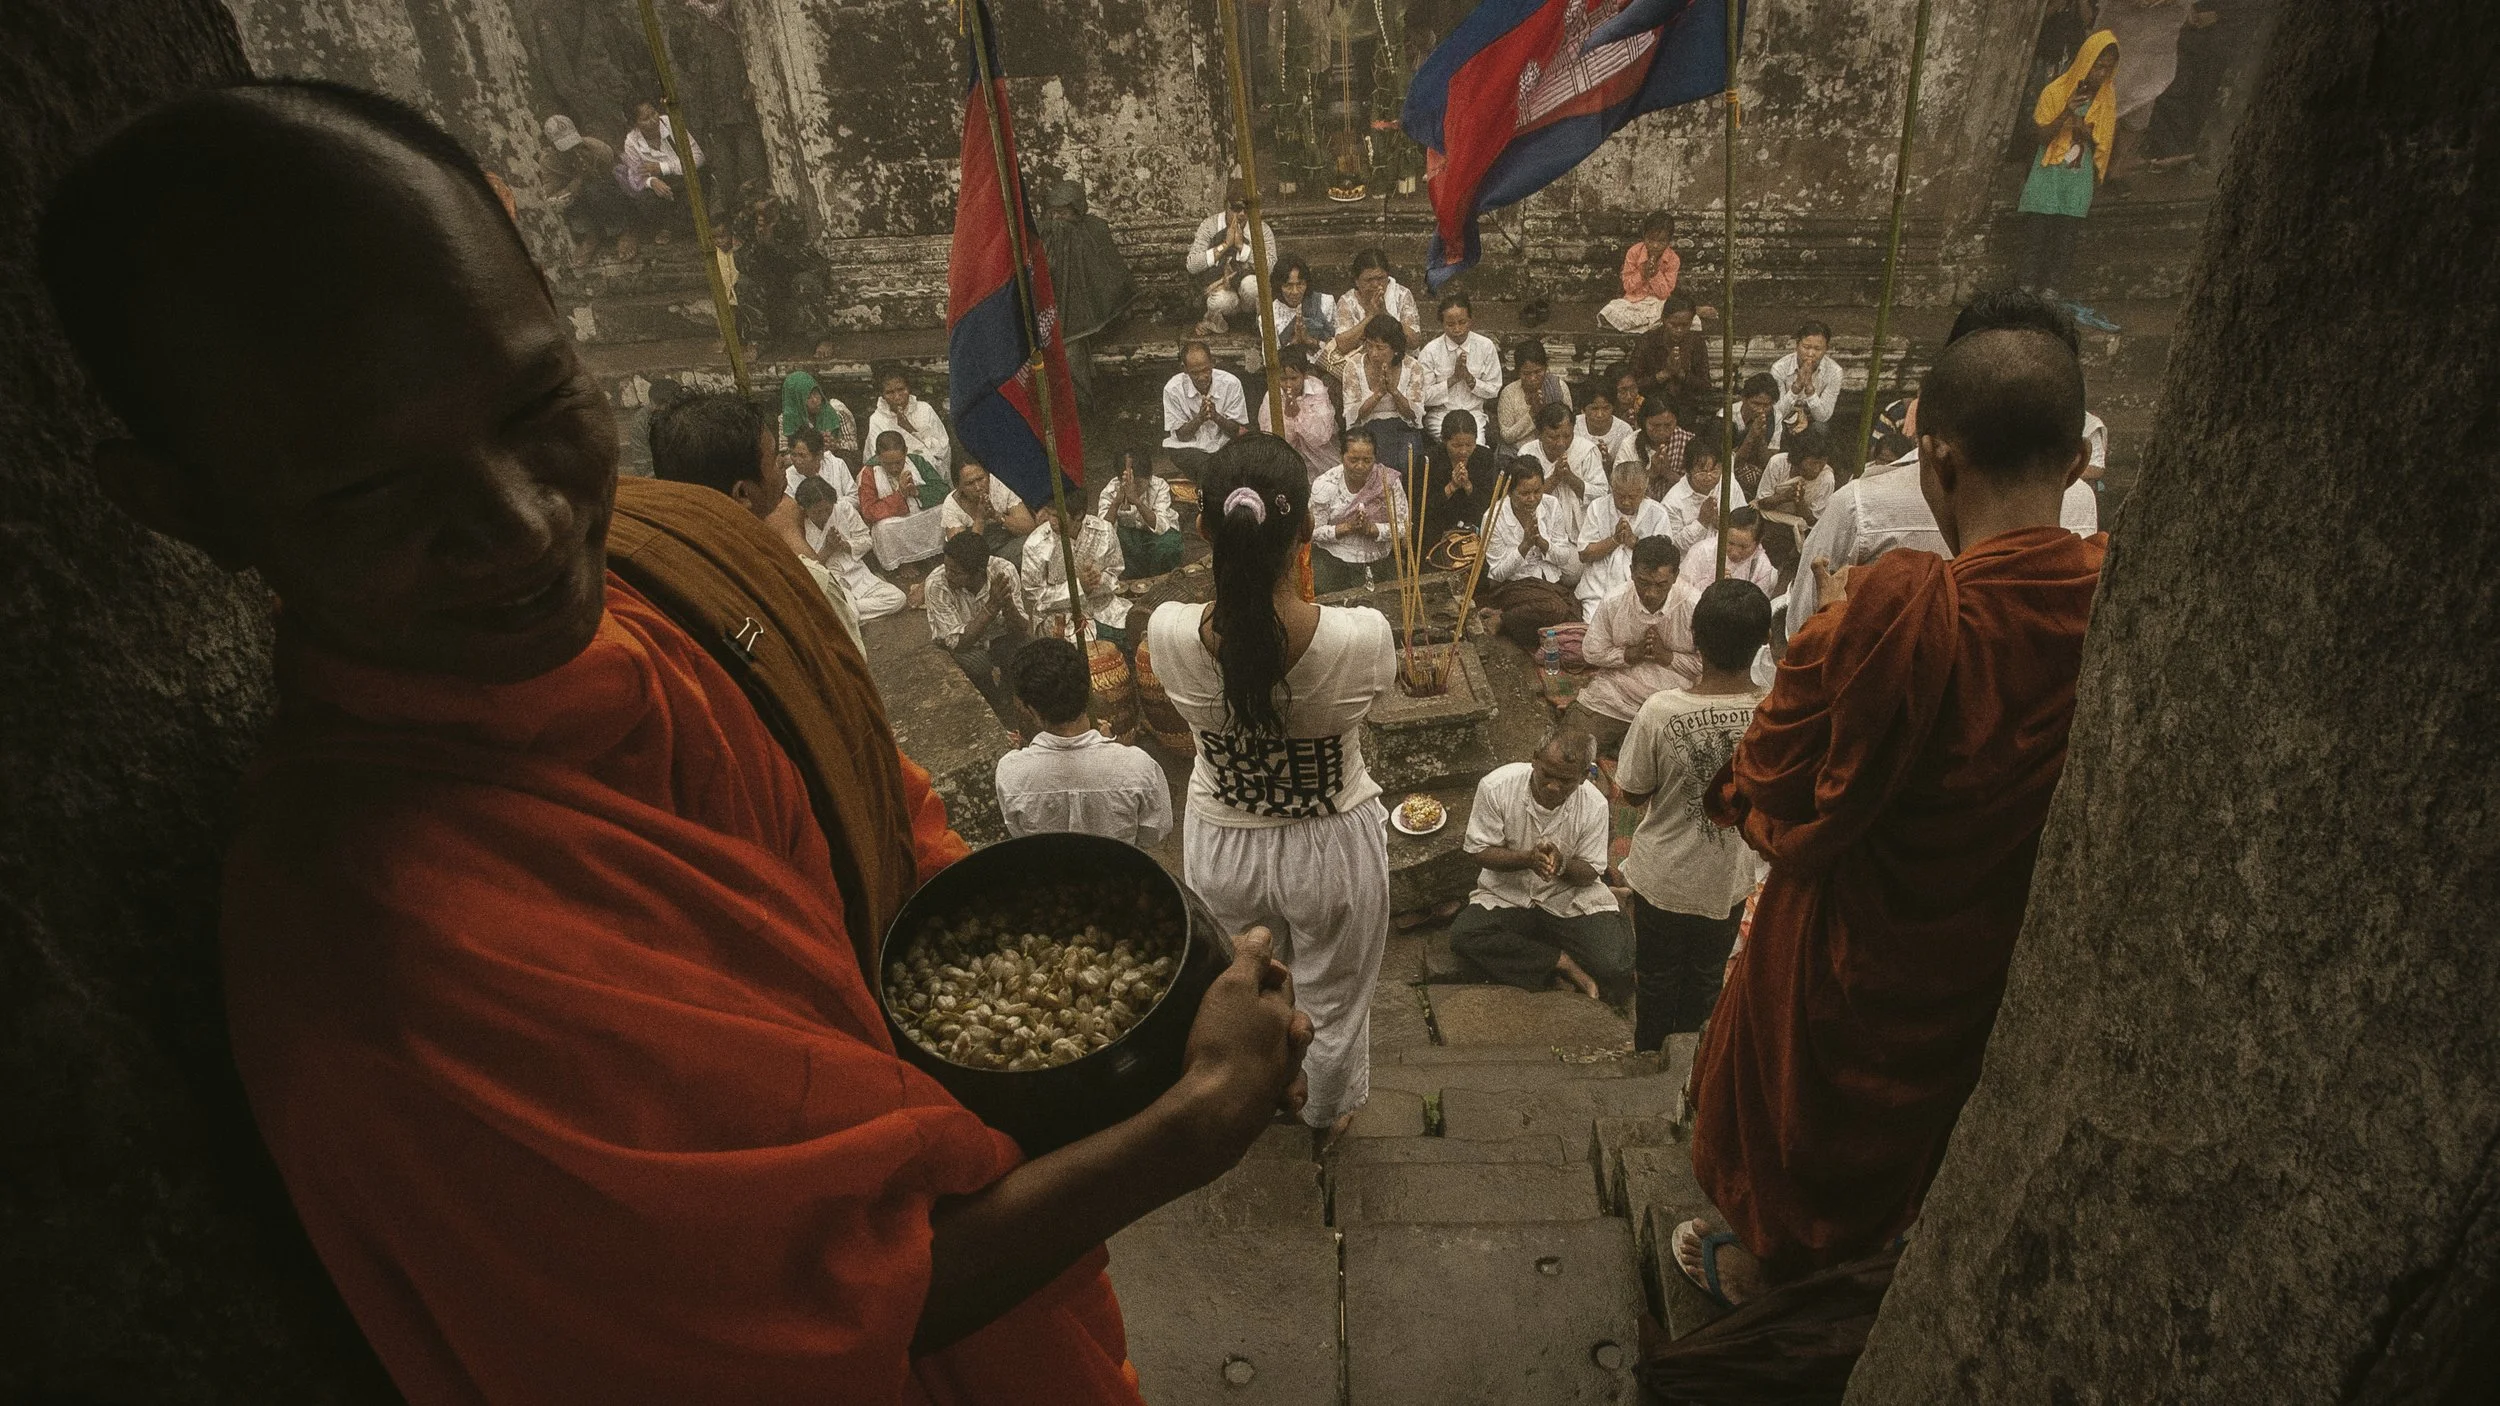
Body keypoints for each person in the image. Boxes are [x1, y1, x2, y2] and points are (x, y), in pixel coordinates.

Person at [42, 78, 1312, 1403]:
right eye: (373, 486)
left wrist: (1132, 1031)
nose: (525, 522)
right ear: (185, 509)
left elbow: (902, 862)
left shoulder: (692, 563)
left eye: (539, 408)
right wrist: (1182, 1129)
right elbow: (811, 1310)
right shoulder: (387, 975)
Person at [1673, 321, 2109, 1307]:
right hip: (1999, 950)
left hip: (1856, 949)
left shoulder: (1894, 616)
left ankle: (1770, 1268)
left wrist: (1839, 629)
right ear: (2077, 459)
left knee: (1808, 1098)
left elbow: (1757, 784)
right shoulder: (2120, 601)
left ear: (1936, 461)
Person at [1147, 436, 1396, 1141]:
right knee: (1335, 997)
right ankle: (1321, 1108)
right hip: (1331, 846)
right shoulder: (1361, 636)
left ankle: (1249, 1104)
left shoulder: (1167, 632)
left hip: (1224, 843)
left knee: (1240, 991)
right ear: (1308, 531)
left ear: (1203, 530)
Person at [1784, 291, 2103, 632]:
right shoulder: (2097, 551)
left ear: (1936, 458)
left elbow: (1800, 640)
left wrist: (1830, 624)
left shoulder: (1862, 509)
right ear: (2077, 462)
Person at [1613, 580, 1771, 1052]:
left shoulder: (1662, 711)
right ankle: (1689, 1068)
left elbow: (1634, 793)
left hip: (1664, 878)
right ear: (1763, 642)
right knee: (1705, 983)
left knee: (1657, 981)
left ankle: (1648, 1063)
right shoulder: (1774, 709)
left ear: (1695, 638)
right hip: (1729, 878)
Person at [650, 388, 864, 650]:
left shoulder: (662, 571)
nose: (784, 467)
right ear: (742, 493)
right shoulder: (800, 582)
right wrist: (792, 537)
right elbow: (849, 664)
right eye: (775, 460)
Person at [1450, 730, 1634, 999]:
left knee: (1616, 966)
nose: (1553, 786)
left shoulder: (1594, 805)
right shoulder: (1496, 787)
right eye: (1547, 774)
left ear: (1584, 776)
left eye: (1565, 780)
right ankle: (1562, 963)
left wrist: (1561, 865)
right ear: (1534, 759)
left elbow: (1589, 872)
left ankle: (1616, 907)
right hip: (1508, 894)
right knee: (1464, 936)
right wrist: (1526, 859)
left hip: (1567, 898)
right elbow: (1478, 851)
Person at [994, 639, 1173, 847]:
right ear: (1088, 692)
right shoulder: (1137, 766)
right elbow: (1154, 833)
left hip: (1051, 878)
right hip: (1121, 875)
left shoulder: (1010, 772)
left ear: (1031, 710)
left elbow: (1018, 832)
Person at [2017, 31, 2121, 331]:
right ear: (2085, 61)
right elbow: (2039, 136)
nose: (2100, 73)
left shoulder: (2107, 99)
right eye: (2097, 65)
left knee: (2065, 239)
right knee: (2037, 236)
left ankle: (2050, 295)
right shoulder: (2054, 91)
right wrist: (2067, 113)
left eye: (2107, 68)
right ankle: (2025, 293)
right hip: (2047, 176)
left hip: (2076, 180)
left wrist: (2084, 128)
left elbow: (2104, 143)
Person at [1565, 536, 1698, 756]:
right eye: (1643, 582)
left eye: (1660, 584)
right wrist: (1629, 655)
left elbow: (1709, 666)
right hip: (1616, 694)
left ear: (1675, 576)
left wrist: (1667, 657)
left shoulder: (1695, 606)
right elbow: (1592, 652)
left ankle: (1629, 747)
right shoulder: (1614, 601)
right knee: (1571, 749)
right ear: (1632, 572)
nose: (1650, 593)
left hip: (1671, 700)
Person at [1039, 179, 1134, 406]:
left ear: (1077, 209)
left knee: (1070, 350)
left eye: (1062, 212)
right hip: (1056, 311)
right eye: (1053, 213)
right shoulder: (1049, 234)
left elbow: (1110, 278)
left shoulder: (1095, 230)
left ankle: (1082, 406)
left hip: (1097, 318)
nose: (1056, 219)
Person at [926, 531, 1031, 730]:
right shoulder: (936, 584)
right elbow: (959, 642)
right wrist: (991, 607)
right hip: (959, 646)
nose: (948, 575)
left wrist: (1007, 606)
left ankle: (1006, 697)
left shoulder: (1003, 571)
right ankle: (991, 704)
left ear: (978, 571)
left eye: (956, 572)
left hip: (998, 637)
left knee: (1027, 649)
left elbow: (1021, 630)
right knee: (978, 664)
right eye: (947, 568)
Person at [1476, 458, 1583, 651]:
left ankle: (1509, 617)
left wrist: (1541, 543)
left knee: (1574, 615)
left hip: (1548, 581)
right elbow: (1497, 574)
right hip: (1512, 586)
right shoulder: (1493, 517)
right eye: (1524, 493)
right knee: (1555, 609)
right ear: (1509, 492)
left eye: (1537, 491)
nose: (1532, 499)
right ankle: (1504, 618)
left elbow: (1564, 557)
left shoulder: (1551, 505)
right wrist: (1524, 546)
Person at [1020, 493, 1130, 649]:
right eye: (1049, 514)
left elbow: (1115, 569)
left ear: (1078, 514)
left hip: (1104, 605)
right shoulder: (1035, 545)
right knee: (1085, 653)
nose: (1051, 522)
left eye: (1057, 516)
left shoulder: (1104, 531)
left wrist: (1098, 579)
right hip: (1060, 617)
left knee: (1135, 627)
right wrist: (1079, 587)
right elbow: (1035, 595)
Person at [1308, 430, 1411, 595]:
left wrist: (1372, 529)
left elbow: (1404, 527)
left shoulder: (1388, 482)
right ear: (1342, 456)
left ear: (1375, 458)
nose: (1360, 466)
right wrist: (1346, 527)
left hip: (1381, 559)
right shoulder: (1325, 484)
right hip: (1333, 559)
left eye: (1367, 460)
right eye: (1353, 460)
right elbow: (1311, 531)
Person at [2098, 0, 2192, 180]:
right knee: (2105, 105)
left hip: (2156, 50)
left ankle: (2115, 168)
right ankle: (2094, 166)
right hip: (2120, 38)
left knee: (2139, 115)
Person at [795, 476, 908, 626]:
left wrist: (845, 545)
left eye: (827, 510)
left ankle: (843, 614)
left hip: (856, 572)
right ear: (805, 509)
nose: (823, 515)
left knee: (898, 599)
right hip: (831, 580)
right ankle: (847, 613)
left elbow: (867, 540)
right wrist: (828, 549)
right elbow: (807, 569)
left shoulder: (843, 508)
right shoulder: (798, 526)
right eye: (817, 512)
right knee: (850, 613)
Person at [1336, 315, 1432, 476]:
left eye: (1380, 348)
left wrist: (1394, 391)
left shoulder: (1412, 367)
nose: (1373, 353)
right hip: (1366, 428)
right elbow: (1352, 416)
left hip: (1402, 427)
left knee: (1407, 459)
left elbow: (1415, 416)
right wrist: (1378, 394)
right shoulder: (1353, 366)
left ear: (1395, 349)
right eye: (1369, 346)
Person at [1573, 460, 1671, 613]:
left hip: (1640, 593)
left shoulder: (1658, 513)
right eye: (1620, 495)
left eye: (1632, 497)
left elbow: (1664, 560)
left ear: (1644, 491)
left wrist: (1635, 543)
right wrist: (1615, 540)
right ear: (1612, 489)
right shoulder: (1598, 507)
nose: (1625, 501)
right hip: (1597, 591)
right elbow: (1584, 554)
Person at [1186, 185, 1277, 337]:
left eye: (1247, 209)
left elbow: (1271, 267)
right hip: (1222, 290)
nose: (1242, 214)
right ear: (1226, 206)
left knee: (1252, 285)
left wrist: (1242, 247)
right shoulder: (1209, 226)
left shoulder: (1262, 229)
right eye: (1236, 208)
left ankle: (1258, 323)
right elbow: (1192, 265)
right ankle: (1217, 322)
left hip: (1247, 295)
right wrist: (1225, 245)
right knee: (1220, 301)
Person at [538, 115, 631, 262]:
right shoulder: (549, 161)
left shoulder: (598, 149)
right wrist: (575, 184)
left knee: (596, 191)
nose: (572, 149)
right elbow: (552, 193)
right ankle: (591, 236)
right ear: (552, 145)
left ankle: (623, 231)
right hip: (578, 197)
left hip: (605, 194)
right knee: (569, 202)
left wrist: (591, 174)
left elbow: (617, 178)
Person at [1416, 292, 1501, 439]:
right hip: (1441, 416)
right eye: (1450, 324)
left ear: (1471, 320)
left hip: (1473, 414)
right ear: (1442, 324)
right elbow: (1423, 396)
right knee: (1451, 445)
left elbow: (1494, 389)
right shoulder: (1430, 351)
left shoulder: (1485, 346)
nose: (1457, 329)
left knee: (1476, 447)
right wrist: (1453, 379)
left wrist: (1470, 379)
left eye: (1462, 322)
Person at [617, 99, 702, 245]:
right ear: (635, 124)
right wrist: (652, 182)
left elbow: (699, 157)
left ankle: (680, 226)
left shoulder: (671, 124)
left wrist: (663, 167)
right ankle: (669, 225)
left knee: (692, 189)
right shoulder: (631, 141)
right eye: (645, 119)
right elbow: (636, 177)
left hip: (685, 176)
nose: (653, 120)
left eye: (654, 113)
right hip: (664, 184)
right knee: (644, 199)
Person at [859, 431, 946, 573]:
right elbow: (868, 512)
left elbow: (942, 489)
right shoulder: (869, 472)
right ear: (877, 455)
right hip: (893, 520)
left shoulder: (917, 461)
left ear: (905, 452)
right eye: (888, 463)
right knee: (883, 528)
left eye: (899, 462)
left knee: (944, 509)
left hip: (920, 512)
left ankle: (932, 553)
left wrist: (917, 492)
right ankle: (903, 562)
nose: (894, 468)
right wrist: (900, 495)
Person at [1161, 341, 1248, 481]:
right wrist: (1200, 418)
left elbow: (1237, 430)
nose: (1202, 377)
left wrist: (1216, 417)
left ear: (1213, 363)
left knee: (1243, 451)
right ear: (1184, 369)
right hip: (1192, 447)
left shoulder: (1231, 383)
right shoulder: (1172, 389)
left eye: (1205, 370)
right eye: (1195, 373)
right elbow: (1182, 436)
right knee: (1193, 460)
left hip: (1224, 444)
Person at [1252, 343, 1341, 478]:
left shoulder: (1316, 388)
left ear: (1304, 375)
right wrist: (1288, 418)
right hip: (1286, 460)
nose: (1288, 385)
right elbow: (1272, 440)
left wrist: (1299, 415)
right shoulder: (1272, 395)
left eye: (1294, 379)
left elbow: (1322, 436)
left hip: (1321, 459)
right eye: (1283, 379)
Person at [1099, 448, 1185, 580]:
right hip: (1129, 538)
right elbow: (1102, 532)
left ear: (1149, 477)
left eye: (1138, 483)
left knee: (1169, 545)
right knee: (1111, 548)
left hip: (1156, 535)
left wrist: (1137, 502)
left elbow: (1161, 527)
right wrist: (1116, 502)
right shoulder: (1111, 490)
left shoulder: (1159, 486)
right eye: (1127, 483)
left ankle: (1162, 581)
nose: (1132, 487)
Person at [1516, 400, 1609, 522]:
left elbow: (1602, 495)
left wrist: (1570, 478)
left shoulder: (1586, 451)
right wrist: (1555, 478)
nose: (1561, 443)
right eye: (1553, 437)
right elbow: (1521, 497)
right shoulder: (1527, 452)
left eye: (1567, 436)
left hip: (1581, 528)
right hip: (1539, 524)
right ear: (1539, 434)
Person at [1325, 248, 1423, 360]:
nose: (1376, 284)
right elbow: (1342, 345)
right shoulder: (1347, 301)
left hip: (1399, 361)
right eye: (1369, 280)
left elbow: (1414, 341)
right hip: (1361, 364)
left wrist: (1385, 313)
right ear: (1357, 281)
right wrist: (1371, 316)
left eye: (1380, 278)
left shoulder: (1401, 294)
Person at [1631, 293, 1715, 413]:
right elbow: (1633, 384)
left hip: (1685, 407)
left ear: (1691, 322)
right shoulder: (1648, 340)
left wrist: (1681, 374)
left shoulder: (1696, 342)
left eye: (1685, 325)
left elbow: (1705, 386)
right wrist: (1664, 374)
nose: (1679, 330)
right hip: (1651, 407)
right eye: (1674, 325)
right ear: (1664, 319)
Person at [1599, 211, 1681, 332]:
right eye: (1651, 240)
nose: (1655, 246)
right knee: (1609, 311)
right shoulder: (1634, 252)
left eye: (1661, 241)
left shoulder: (1673, 259)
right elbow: (1627, 286)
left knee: (1676, 316)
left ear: (1669, 241)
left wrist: (1655, 275)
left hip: (1657, 303)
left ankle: (1645, 326)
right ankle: (1648, 326)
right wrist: (1642, 274)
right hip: (1633, 302)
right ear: (1644, 235)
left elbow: (1665, 294)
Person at [1420, 409, 1495, 542]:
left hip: (1474, 527)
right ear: (1444, 440)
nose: (1463, 451)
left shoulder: (1485, 458)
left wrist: (1468, 486)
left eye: (1469, 445)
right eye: (1456, 445)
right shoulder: (1428, 461)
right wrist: (1451, 487)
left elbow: (1489, 503)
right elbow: (1422, 507)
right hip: (1438, 529)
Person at [1663, 440, 1749, 554]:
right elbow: (1675, 546)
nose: (1708, 478)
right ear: (1688, 471)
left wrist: (1722, 523)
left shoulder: (1729, 482)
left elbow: (1744, 522)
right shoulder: (1672, 502)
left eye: (1714, 471)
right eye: (1702, 472)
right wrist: (1702, 521)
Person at [866, 367, 953, 473]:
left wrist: (910, 429)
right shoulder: (877, 419)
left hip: (930, 470)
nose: (897, 397)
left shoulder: (925, 409)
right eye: (890, 392)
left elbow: (943, 449)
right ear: (883, 396)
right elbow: (877, 457)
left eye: (901, 389)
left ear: (908, 389)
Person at [1678, 505, 1777, 598]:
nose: (1735, 552)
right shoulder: (1702, 551)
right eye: (1730, 543)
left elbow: (1756, 608)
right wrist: (1710, 583)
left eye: (1743, 547)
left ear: (1758, 542)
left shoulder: (1762, 567)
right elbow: (1680, 592)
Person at [941, 459, 1037, 554]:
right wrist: (980, 519)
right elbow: (963, 555)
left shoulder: (1001, 484)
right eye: (969, 483)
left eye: (980, 479)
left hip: (1011, 545)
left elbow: (1029, 528)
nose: (978, 487)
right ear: (958, 486)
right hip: (979, 559)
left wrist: (996, 515)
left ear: (988, 475)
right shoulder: (951, 505)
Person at [1769, 321, 1841, 442]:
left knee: (1821, 429)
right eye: (1806, 347)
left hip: (1813, 420)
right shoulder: (1780, 368)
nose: (1810, 354)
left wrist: (1809, 388)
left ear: (1826, 349)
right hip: (1784, 418)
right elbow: (1777, 412)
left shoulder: (1835, 372)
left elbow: (1823, 416)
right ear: (1797, 345)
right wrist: (1796, 387)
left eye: (1818, 349)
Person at [1495, 338, 1571, 447]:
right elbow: (1507, 436)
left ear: (1546, 368)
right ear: (1518, 372)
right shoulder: (1509, 393)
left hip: (1555, 448)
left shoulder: (1559, 387)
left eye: (1538, 372)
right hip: (1520, 453)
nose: (1532, 378)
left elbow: (1569, 427)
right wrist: (1532, 414)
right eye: (1526, 373)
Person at [1620, 396, 1696, 494]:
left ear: (1676, 421)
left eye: (1668, 425)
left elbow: (1698, 488)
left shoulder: (1687, 441)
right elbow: (1621, 487)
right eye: (1655, 425)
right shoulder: (1630, 444)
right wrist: (1651, 473)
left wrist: (1667, 473)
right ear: (1643, 423)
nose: (1661, 431)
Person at [1266, 254, 1337, 356]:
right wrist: (1295, 341)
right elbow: (1270, 361)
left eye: (1300, 284)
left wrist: (1310, 341)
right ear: (1278, 286)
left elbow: (1338, 346)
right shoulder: (1269, 316)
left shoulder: (1326, 303)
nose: (1295, 292)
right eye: (1288, 286)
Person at [780, 369, 858, 457]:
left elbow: (854, 445)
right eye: (808, 397)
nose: (815, 400)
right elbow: (785, 451)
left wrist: (835, 445)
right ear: (797, 400)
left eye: (816, 393)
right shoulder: (786, 420)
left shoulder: (838, 412)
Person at [1728, 372, 1784, 492]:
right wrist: (1751, 435)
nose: (1761, 410)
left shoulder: (1775, 417)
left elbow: (1770, 461)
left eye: (1767, 405)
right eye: (1756, 404)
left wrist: (1761, 437)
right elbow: (1730, 463)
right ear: (1744, 398)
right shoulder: (1727, 415)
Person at [1577, 384, 1637, 465]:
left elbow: (1627, 470)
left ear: (1613, 408)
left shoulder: (1625, 431)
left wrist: (1610, 464)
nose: (1600, 415)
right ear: (1583, 410)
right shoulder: (1573, 426)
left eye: (1606, 408)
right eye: (1594, 408)